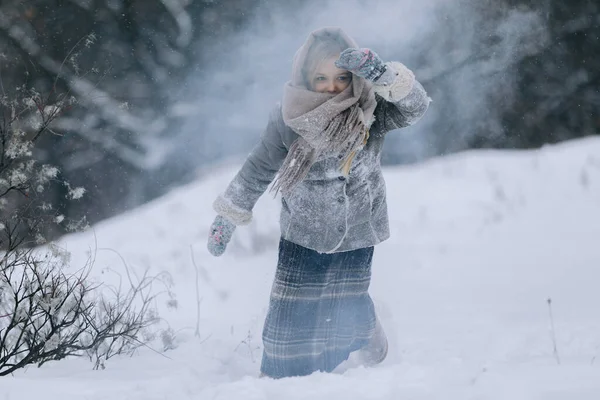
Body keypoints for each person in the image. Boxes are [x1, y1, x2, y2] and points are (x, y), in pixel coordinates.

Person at [207, 26, 430, 379]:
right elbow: (259, 167)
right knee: (289, 323)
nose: (331, 86)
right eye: (321, 77)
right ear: (304, 77)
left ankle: (362, 334)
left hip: (358, 230)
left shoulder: (371, 108)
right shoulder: (287, 119)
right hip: (304, 233)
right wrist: (230, 213)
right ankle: (280, 379)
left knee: (344, 308)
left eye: (342, 77)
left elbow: (415, 107)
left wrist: (385, 76)